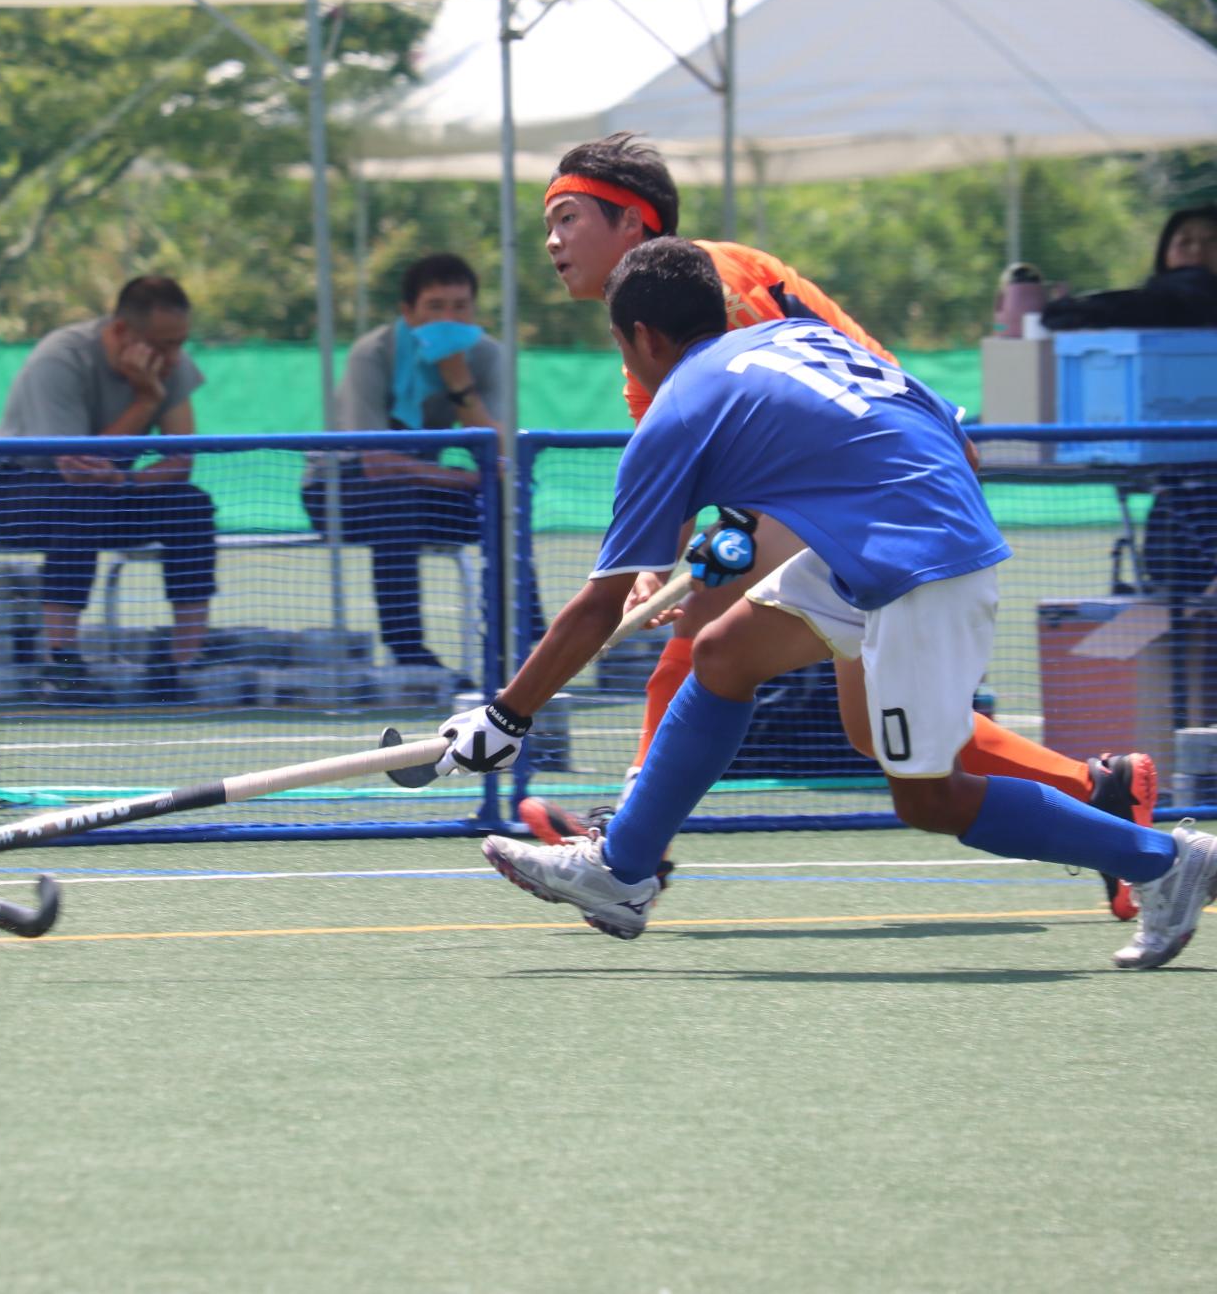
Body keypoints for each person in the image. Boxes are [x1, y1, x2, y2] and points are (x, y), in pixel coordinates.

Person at [441, 240, 1215, 971]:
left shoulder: (677, 405)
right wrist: (787, 514)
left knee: (928, 797)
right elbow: (954, 443)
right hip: (884, 543)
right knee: (723, 653)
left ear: (641, 336)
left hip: (922, 570)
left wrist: (505, 719)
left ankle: (1167, 863)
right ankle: (624, 871)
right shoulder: (800, 338)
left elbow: (602, 602)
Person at [524, 132, 1156, 916]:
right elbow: (698, 475)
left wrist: (522, 697)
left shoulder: (701, 290)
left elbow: (783, 425)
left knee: (703, 650)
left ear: (635, 224)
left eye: (569, 216)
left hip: (882, 495)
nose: (552, 240)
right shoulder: (650, 327)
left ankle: (628, 848)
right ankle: (1098, 789)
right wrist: (660, 564)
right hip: (870, 493)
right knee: (877, 729)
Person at [0, 276, 216, 702]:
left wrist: (125, 479)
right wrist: (144, 402)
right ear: (122, 331)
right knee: (79, 503)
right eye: (163, 345)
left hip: (106, 492)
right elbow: (76, 466)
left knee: (191, 506)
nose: (174, 356)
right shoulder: (61, 358)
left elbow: (181, 460)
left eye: (181, 342)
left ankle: (184, 664)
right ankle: (62, 666)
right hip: (13, 491)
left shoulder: (171, 364)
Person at [302, 253, 544, 673]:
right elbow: (375, 461)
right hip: (340, 491)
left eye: (460, 307)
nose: (448, 318)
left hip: (425, 492)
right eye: (435, 307)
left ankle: (523, 641)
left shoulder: (486, 355)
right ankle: (409, 654)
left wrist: (458, 383)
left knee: (505, 501)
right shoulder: (372, 354)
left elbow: (500, 455)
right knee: (395, 500)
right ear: (408, 312)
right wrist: (463, 477)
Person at [1042, 203, 1217, 329]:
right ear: (1164, 255)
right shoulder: (1151, 298)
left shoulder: (1157, 305)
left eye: (1212, 240)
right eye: (1184, 242)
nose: (1197, 250)